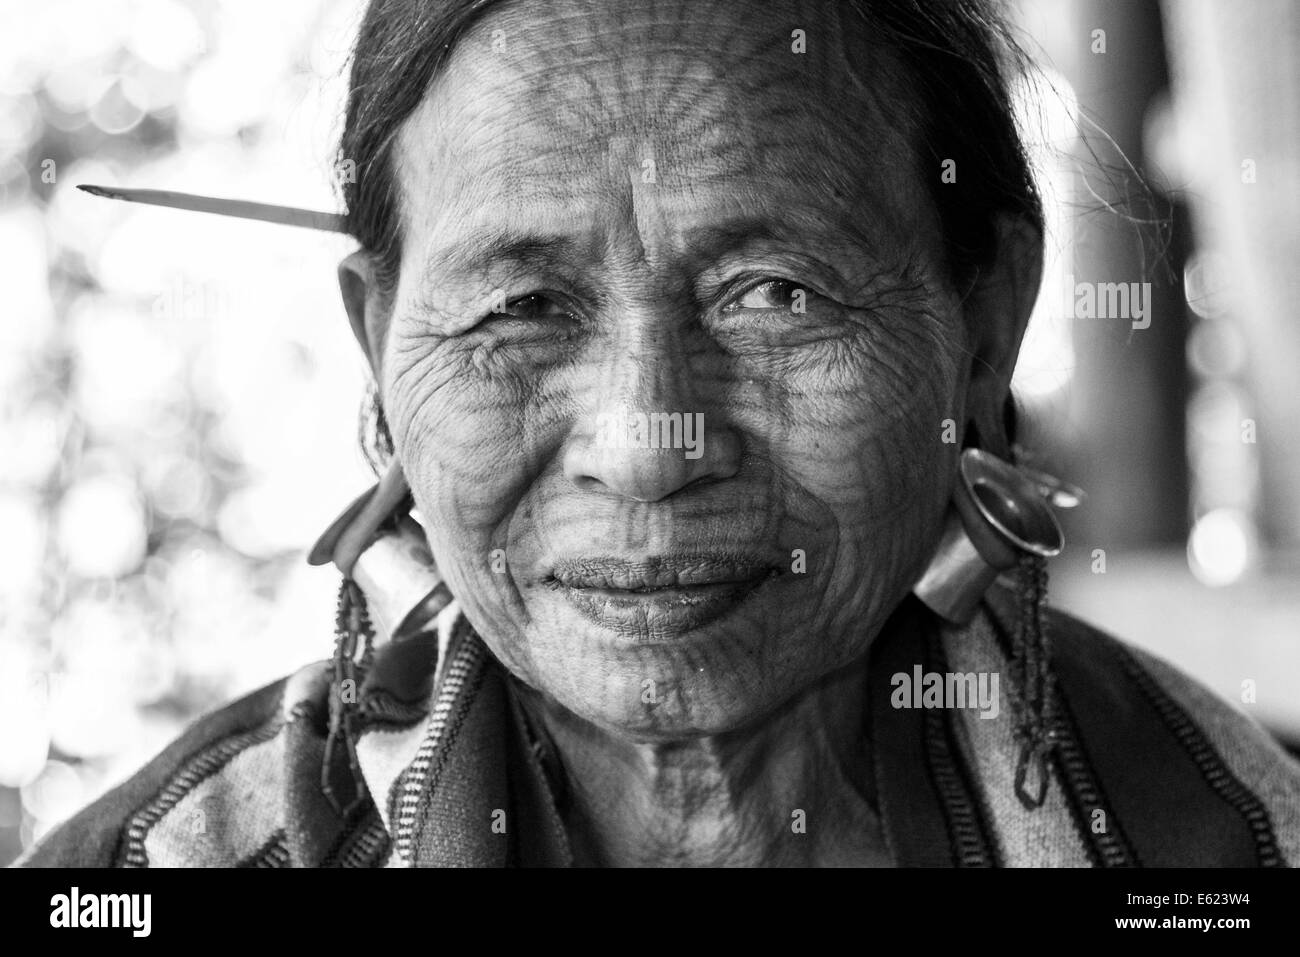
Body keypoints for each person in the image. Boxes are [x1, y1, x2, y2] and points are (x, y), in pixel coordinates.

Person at [21, 0, 1300, 868]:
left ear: (982, 328)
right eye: (521, 307)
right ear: (378, 344)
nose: (645, 446)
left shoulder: (1217, 837)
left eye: (774, 295)